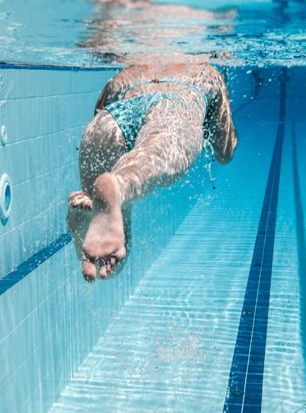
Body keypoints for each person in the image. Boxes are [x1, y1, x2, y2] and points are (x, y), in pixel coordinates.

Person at [68, 58, 238, 281]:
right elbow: (224, 152)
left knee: (113, 232)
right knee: (154, 154)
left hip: (107, 123)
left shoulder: (127, 71)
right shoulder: (207, 72)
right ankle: (117, 186)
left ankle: (90, 207)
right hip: (173, 108)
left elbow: (99, 114)